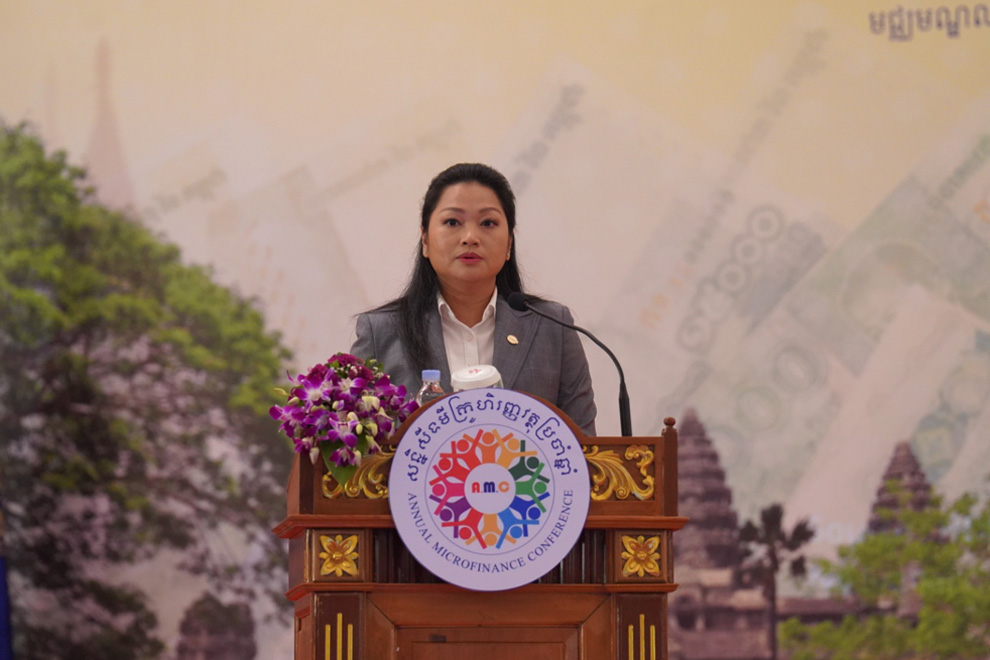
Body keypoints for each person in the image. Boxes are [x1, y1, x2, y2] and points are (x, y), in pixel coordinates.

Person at [350, 163, 597, 435]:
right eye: (452, 222)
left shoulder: (553, 328)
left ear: (509, 244)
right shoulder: (381, 333)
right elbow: (358, 454)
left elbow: (585, 451)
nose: (470, 237)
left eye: (488, 223)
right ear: (425, 240)